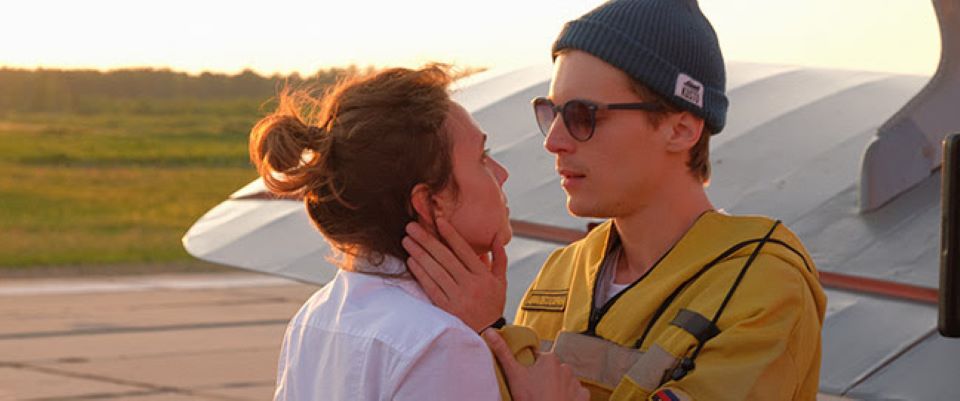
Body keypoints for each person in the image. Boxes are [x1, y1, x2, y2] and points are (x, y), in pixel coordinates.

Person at [403, 1, 827, 400]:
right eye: (550, 113)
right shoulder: (561, 274)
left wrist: (494, 331)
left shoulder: (763, 286)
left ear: (680, 129)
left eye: (583, 116)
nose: (553, 141)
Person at [251, 66, 587, 401]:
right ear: (430, 203)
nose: (502, 174)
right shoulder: (442, 344)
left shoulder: (313, 316)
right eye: (482, 158)